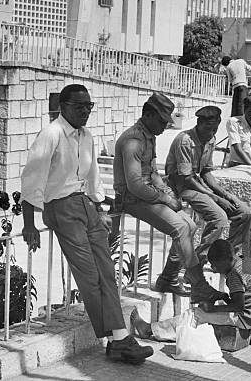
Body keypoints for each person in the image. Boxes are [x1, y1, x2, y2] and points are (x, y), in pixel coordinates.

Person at [20, 84, 153, 364]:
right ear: (62, 106)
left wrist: (101, 207)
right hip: (61, 208)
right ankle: (119, 339)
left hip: (86, 206)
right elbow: (31, 181)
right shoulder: (51, 134)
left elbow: (92, 177)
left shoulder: (87, 136)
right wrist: (28, 224)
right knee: (89, 276)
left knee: (107, 271)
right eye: (80, 107)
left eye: (89, 107)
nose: (85, 112)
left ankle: (119, 340)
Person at [113, 92, 225, 303]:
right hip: (131, 198)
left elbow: (153, 173)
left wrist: (167, 193)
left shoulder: (148, 136)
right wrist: (164, 199)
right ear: (147, 115)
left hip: (146, 195)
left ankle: (168, 278)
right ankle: (199, 286)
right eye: (162, 121)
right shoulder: (134, 140)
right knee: (181, 227)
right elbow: (135, 185)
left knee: (190, 225)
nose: (165, 126)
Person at [130, 239, 251, 345]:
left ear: (226, 260)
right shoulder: (243, 261)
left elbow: (239, 306)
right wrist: (223, 297)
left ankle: (149, 330)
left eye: (215, 265)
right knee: (210, 309)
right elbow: (248, 294)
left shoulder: (235, 274)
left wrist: (213, 308)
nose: (214, 268)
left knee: (195, 315)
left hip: (244, 318)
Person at [165, 105, 251, 261]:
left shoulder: (210, 139)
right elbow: (186, 178)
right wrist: (216, 198)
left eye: (214, 129)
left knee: (243, 213)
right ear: (199, 124)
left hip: (197, 183)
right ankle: (198, 263)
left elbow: (205, 171)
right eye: (207, 129)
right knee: (219, 218)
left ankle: (226, 257)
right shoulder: (185, 140)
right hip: (181, 186)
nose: (211, 133)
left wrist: (223, 193)